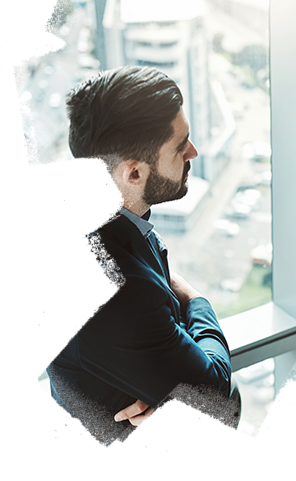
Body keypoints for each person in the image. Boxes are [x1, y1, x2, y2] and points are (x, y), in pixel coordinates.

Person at [28, 66, 241, 467]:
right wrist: (197, 300)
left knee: (229, 404)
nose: (193, 151)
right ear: (134, 173)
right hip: (134, 458)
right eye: (180, 146)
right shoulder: (110, 285)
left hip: (119, 400)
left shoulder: (65, 201)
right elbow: (211, 388)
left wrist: (168, 390)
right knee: (225, 399)